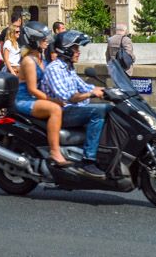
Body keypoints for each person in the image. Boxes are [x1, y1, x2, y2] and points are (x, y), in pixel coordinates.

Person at [41, 30, 112, 178]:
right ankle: (88, 161)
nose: (78, 52)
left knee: (110, 109)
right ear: (66, 49)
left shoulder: (68, 68)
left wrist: (111, 91)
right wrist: (91, 94)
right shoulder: (54, 69)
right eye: (75, 48)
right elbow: (66, 97)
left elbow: (85, 87)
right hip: (64, 113)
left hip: (74, 110)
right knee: (98, 111)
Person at [14, 21, 69, 166]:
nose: (46, 40)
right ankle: (55, 151)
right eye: (42, 38)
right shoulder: (29, 61)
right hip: (26, 100)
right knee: (55, 109)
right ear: (33, 41)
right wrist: (53, 100)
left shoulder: (41, 58)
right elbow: (32, 90)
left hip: (36, 98)